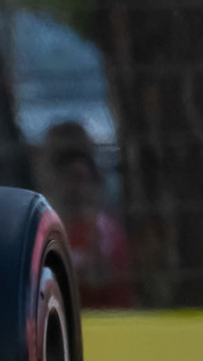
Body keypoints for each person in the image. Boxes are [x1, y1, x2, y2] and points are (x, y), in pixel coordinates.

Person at [41, 121, 134, 308]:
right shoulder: (44, 229)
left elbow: (99, 279)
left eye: (79, 177)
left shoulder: (104, 229)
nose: (73, 187)